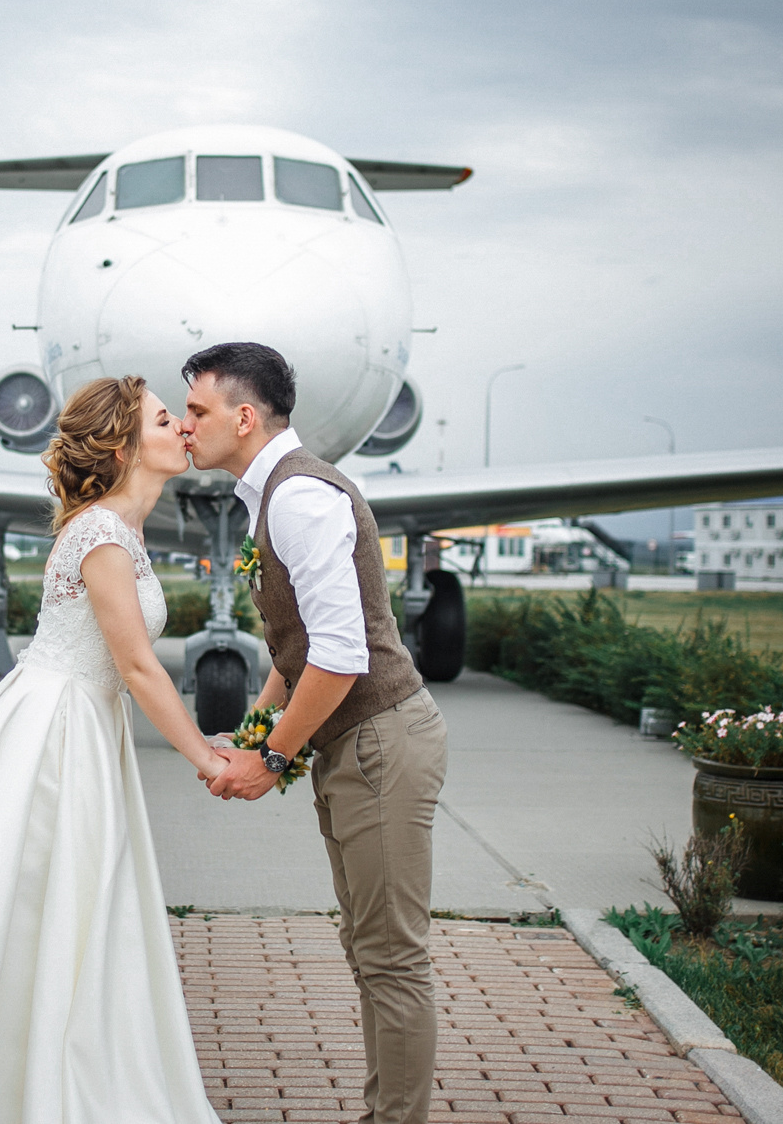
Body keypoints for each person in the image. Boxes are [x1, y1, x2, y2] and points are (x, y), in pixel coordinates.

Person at [0, 375, 225, 1124]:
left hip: (80, 719)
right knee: (43, 908)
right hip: (52, 733)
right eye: (165, 418)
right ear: (120, 444)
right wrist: (205, 756)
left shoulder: (120, 526)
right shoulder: (101, 534)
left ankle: (60, 1077)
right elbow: (140, 667)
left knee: (80, 905)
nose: (181, 429)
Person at [183, 341, 448, 1124]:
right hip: (359, 745)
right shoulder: (272, 495)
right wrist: (254, 731)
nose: (186, 425)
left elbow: (340, 654)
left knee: (391, 958)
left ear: (244, 416)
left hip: (380, 744)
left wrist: (271, 757)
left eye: (196, 411)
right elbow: (297, 652)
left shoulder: (298, 499)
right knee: (370, 951)